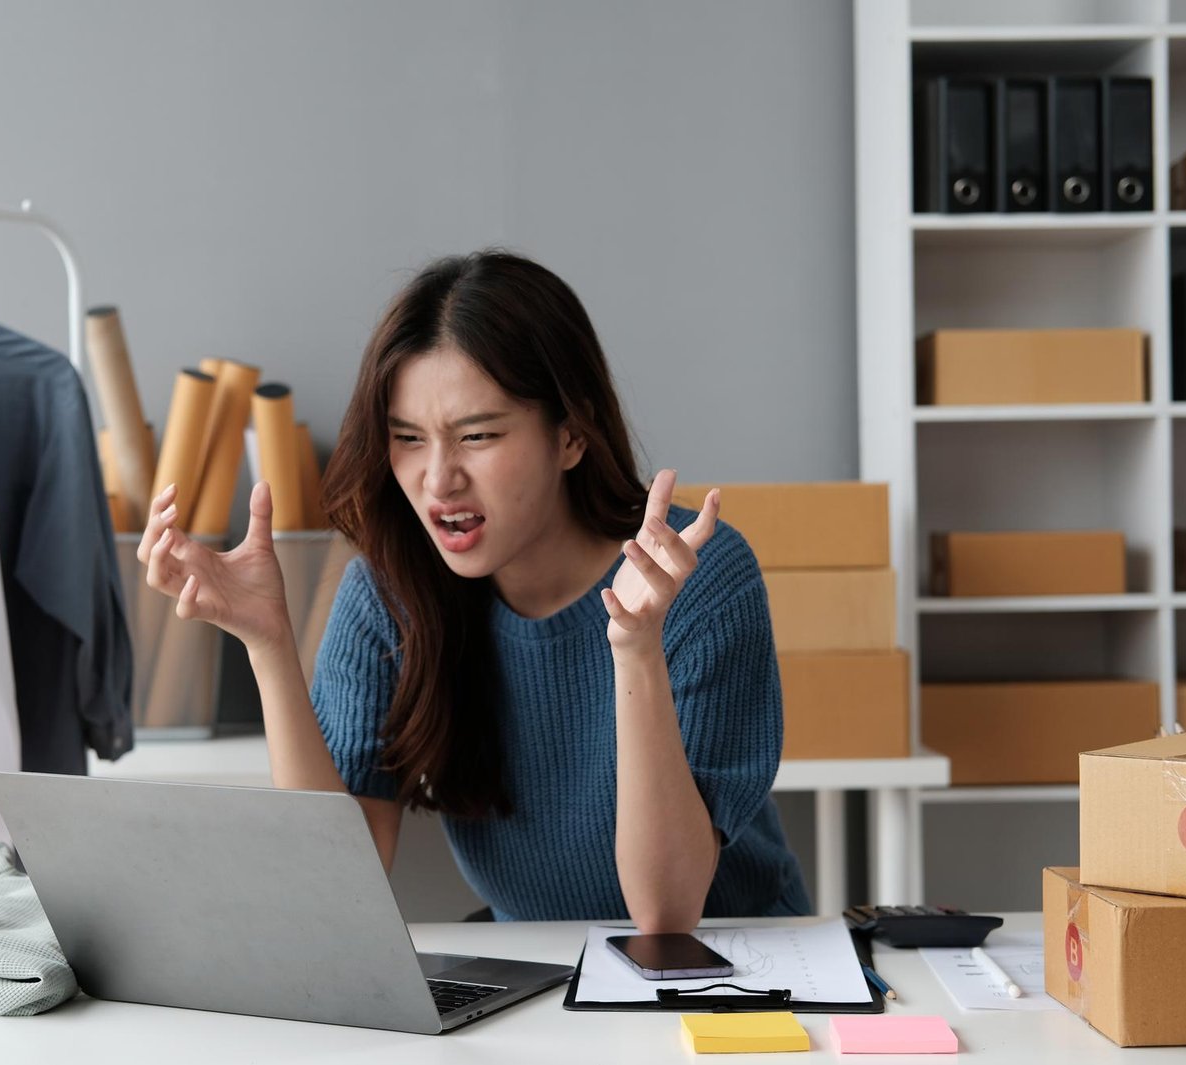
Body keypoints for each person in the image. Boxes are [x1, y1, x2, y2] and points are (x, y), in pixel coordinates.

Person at [139, 250, 809, 931]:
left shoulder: (693, 575)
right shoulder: (389, 592)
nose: (438, 480)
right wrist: (269, 643)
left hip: (733, 969)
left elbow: (665, 915)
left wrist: (636, 651)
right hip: (536, 969)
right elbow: (338, 883)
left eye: (478, 436)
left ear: (571, 434)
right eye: (407, 438)